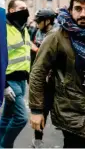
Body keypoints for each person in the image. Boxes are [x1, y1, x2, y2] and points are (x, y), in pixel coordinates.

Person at [30, 0, 85, 148]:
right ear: (70, 10)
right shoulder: (56, 37)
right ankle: (37, 140)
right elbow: (38, 73)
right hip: (71, 111)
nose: (83, 14)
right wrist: (36, 110)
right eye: (78, 8)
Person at [0, 0, 31, 148]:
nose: (25, 10)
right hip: (10, 81)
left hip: (22, 82)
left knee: (7, 117)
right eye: (21, 8)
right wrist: (4, 85)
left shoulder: (23, 28)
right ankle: (5, 146)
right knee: (21, 118)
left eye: (26, 7)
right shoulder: (3, 28)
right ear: (11, 10)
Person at [30, 8, 57, 148]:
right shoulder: (37, 32)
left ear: (47, 21)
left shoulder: (57, 35)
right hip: (43, 82)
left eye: (39, 21)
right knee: (42, 113)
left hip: (56, 82)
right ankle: (38, 142)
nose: (37, 24)